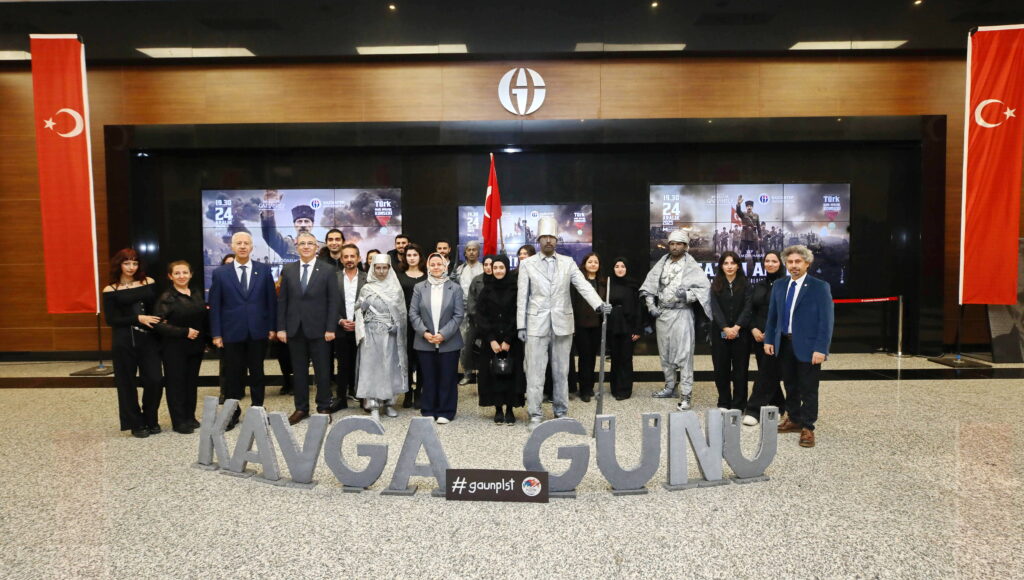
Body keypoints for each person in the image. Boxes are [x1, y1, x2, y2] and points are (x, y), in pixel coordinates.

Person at [517, 217, 611, 430]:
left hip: (562, 323)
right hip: (535, 324)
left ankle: (561, 411)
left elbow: (583, 286)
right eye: (544, 237)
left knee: (561, 371)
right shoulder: (527, 264)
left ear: (557, 240)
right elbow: (522, 297)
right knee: (535, 372)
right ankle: (535, 413)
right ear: (538, 240)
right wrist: (521, 325)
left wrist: (599, 304)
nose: (548, 241)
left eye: (552, 237)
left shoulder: (568, 263)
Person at [764, 245, 833, 448]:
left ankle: (808, 427)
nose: (794, 265)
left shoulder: (819, 286)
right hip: (784, 343)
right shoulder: (779, 285)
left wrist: (821, 348)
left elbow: (826, 321)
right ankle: (794, 419)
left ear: (807, 263)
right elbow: (773, 316)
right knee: (790, 384)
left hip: (809, 346)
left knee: (808, 388)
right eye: (790, 262)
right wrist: (769, 340)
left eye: (798, 262)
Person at [209, 231, 277, 431]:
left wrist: (272, 327)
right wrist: (216, 333)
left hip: (258, 331)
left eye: (246, 243)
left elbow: (271, 302)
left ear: (251, 247)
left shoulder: (263, 270)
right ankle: (232, 412)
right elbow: (215, 305)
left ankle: (257, 409)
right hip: (231, 332)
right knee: (233, 375)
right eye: (238, 243)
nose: (242, 246)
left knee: (257, 373)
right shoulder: (221, 273)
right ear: (232, 246)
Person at [640, 229, 711, 411]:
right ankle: (670, 387)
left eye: (679, 244)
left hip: (682, 314)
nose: (675, 247)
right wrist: (651, 305)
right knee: (665, 354)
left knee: (684, 355)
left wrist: (687, 295)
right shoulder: (662, 263)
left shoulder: (691, 266)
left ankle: (686, 394)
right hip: (663, 314)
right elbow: (649, 287)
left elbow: (704, 290)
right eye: (672, 243)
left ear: (685, 246)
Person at [277, 232, 339, 424]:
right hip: (295, 330)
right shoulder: (288, 270)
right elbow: (282, 301)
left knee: (323, 371)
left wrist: (331, 328)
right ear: (297, 247)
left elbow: (333, 301)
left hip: (321, 331)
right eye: (302, 243)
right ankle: (301, 408)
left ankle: (323, 407)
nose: (306, 246)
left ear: (316, 247)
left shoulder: (328, 270)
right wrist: (281, 328)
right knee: (299, 371)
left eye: (310, 243)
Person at [102, 248, 162, 438]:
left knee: (155, 380)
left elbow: (156, 309)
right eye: (127, 263)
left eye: (135, 263)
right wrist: (137, 318)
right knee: (126, 383)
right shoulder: (110, 289)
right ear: (119, 265)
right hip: (123, 340)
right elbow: (111, 320)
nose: (131, 267)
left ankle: (150, 418)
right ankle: (136, 423)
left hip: (148, 339)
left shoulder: (148, 282)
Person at [409, 253, 465, 424]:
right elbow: (413, 313)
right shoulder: (419, 287)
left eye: (439, 264)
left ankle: (446, 411)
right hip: (424, 341)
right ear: (428, 266)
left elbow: (458, 315)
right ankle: (428, 409)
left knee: (447, 378)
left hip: (449, 341)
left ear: (445, 266)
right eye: (432, 264)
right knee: (428, 377)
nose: (436, 267)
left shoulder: (455, 288)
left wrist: (443, 334)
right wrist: (425, 332)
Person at [154, 260, 207, 434]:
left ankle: (190, 416)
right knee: (176, 384)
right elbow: (158, 324)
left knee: (191, 383)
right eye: (177, 273)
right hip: (174, 347)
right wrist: (184, 332)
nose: (181, 276)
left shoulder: (196, 293)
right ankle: (179, 421)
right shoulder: (167, 298)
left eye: (185, 272)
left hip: (195, 347)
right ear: (170, 276)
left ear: (191, 274)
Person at [355, 254, 408, 420]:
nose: (381, 271)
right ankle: (374, 406)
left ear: (389, 269)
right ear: (373, 268)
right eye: (378, 268)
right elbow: (358, 310)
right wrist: (361, 307)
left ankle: (389, 403)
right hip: (370, 335)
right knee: (371, 368)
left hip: (390, 336)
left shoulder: (396, 289)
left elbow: (402, 313)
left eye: (385, 268)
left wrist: (397, 325)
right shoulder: (366, 288)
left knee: (389, 368)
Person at [476, 255, 524, 424]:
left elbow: (518, 314)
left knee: (511, 374)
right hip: (492, 341)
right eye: (495, 268)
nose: (498, 271)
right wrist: (491, 339)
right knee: (494, 375)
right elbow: (480, 316)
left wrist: (508, 340)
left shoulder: (515, 289)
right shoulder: (486, 290)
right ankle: (498, 409)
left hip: (512, 341)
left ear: (507, 268)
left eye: (501, 267)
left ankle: (510, 409)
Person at [743, 251, 785, 426]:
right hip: (758, 337)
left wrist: (772, 332)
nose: (770, 264)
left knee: (766, 372)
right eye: (767, 261)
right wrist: (753, 328)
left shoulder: (786, 284)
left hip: (778, 337)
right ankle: (778, 406)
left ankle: (753, 409)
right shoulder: (759, 285)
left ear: (780, 263)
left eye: (774, 261)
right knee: (767, 371)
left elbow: (786, 312)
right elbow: (751, 310)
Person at [710, 251, 753, 412]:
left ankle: (739, 404)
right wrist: (725, 328)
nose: (729, 266)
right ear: (721, 266)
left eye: (733, 263)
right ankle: (723, 402)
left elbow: (748, 307)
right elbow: (714, 308)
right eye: (726, 263)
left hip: (741, 334)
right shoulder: (715, 284)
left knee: (740, 370)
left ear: (738, 266)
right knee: (721, 369)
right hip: (720, 333)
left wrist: (736, 327)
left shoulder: (746, 284)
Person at [333, 243, 365, 410]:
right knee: (343, 365)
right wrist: (339, 320)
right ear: (341, 259)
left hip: (362, 329)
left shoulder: (368, 278)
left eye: (352, 256)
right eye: (346, 256)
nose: (349, 259)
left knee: (363, 364)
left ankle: (363, 397)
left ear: (358, 258)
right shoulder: (334, 278)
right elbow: (328, 303)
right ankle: (341, 398)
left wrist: (359, 322)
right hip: (341, 328)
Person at [570, 252, 604, 403]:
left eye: (596, 262)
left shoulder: (602, 282)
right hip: (581, 325)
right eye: (590, 262)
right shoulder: (578, 282)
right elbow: (572, 303)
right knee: (584, 357)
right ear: (584, 264)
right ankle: (583, 389)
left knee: (592, 357)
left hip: (597, 325)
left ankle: (590, 386)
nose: (593, 264)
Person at [607, 257, 642, 400]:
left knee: (626, 358)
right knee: (615, 357)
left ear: (627, 268)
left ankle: (625, 390)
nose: (620, 269)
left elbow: (639, 308)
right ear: (613, 268)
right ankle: (615, 388)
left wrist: (637, 329)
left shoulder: (633, 286)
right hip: (612, 325)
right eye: (617, 266)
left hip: (628, 325)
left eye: (623, 266)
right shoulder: (608, 284)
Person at [398, 243, 427, 408]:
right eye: (408, 255)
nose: (411, 258)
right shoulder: (399, 276)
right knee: (407, 359)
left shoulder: (427, 275)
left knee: (422, 358)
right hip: (405, 323)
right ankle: (408, 393)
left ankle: (420, 392)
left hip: (424, 323)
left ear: (420, 257)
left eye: (415, 255)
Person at [455, 240, 484, 386]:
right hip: (463, 310)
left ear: (478, 252)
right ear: (465, 253)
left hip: (481, 310)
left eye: (474, 249)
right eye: (469, 250)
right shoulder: (459, 270)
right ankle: (467, 372)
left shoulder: (484, 268)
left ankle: (483, 373)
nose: (471, 252)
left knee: (482, 342)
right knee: (464, 343)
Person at [260, 189, 315, 261]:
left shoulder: (323, 247)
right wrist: (269, 211)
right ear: (294, 224)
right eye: (299, 221)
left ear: (312, 224)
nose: (303, 225)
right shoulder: (287, 245)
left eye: (307, 221)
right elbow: (270, 236)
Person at [217, 253, 235, 403]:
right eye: (227, 264)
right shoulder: (220, 280)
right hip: (227, 329)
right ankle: (225, 392)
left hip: (248, 329)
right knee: (225, 364)